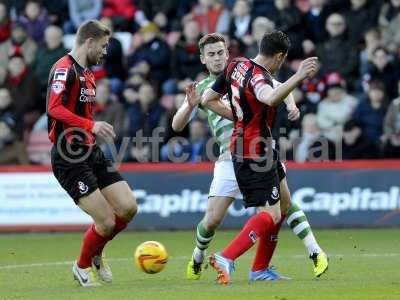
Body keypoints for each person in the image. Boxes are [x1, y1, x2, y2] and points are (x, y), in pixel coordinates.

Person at [173, 33, 328, 283]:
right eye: (211, 54)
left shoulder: (242, 71)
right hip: (230, 156)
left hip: (256, 147)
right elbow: (177, 124)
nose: (217, 58)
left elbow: (276, 87)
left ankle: (311, 252)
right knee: (213, 220)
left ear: (227, 52)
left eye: (220, 52)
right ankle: (199, 256)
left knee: (282, 204)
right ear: (203, 59)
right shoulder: (204, 88)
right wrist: (192, 106)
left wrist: (290, 105)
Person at [46, 20, 137, 287]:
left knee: (128, 208)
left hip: (90, 151)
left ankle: (96, 252)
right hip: (68, 156)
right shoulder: (64, 69)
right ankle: (82, 267)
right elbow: (54, 108)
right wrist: (91, 125)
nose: (106, 51)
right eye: (104, 45)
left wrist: (90, 130)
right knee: (106, 221)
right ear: (89, 42)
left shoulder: (88, 74)